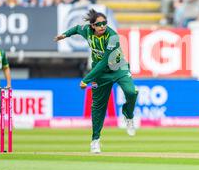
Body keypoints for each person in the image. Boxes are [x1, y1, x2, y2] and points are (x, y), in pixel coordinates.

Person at [54, 9, 138, 153]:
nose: (103, 26)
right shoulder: (86, 30)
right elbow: (76, 29)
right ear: (92, 25)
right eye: (99, 24)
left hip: (118, 68)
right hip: (101, 75)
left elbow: (105, 61)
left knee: (131, 92)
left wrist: (87, 79)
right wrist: (64, 35)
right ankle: (95, 140)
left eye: (105, 23)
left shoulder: (112, 37)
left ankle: (128, 115)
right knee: (98, 107)